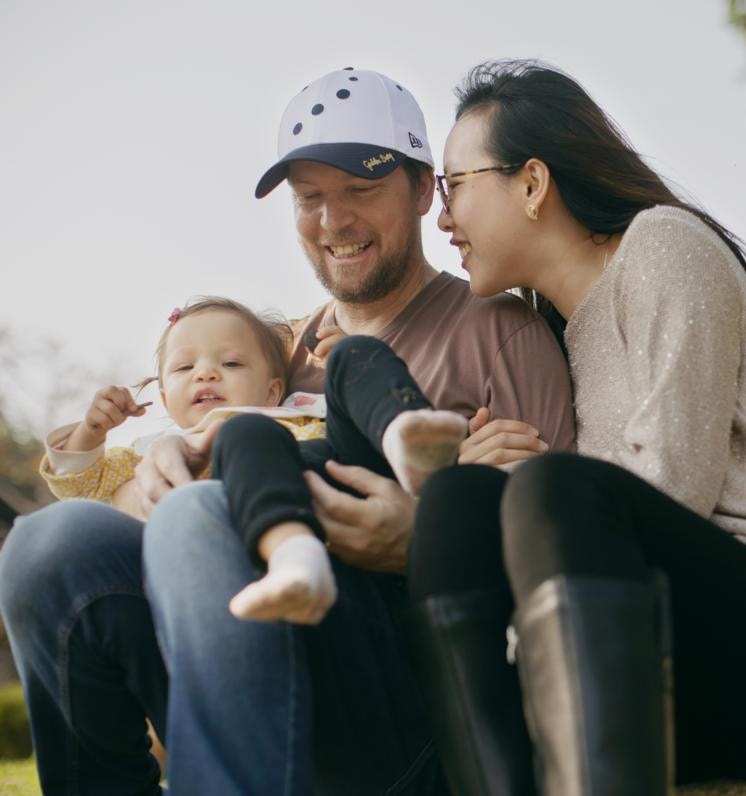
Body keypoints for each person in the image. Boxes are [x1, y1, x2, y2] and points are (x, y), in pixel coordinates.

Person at [0, 67, 575, 794]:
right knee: (48, 545)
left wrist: (423, 534)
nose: (333, 220)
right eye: (310, 198)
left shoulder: (500, 332)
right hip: (231, 659)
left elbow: (558, 555)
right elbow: (138, 476)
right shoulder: (264, 353)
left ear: (425, 190)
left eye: (361, 191)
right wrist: (148, 481)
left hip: (404, 696)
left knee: (201, 517)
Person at [404, 59, 746, 794]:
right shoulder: (555, 331)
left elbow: (673, 482)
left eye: (454, 186)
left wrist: (532, 496)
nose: (441, 217)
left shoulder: (662, 245)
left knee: (551, 490)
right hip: (656, 662)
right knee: (452, 503)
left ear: (531, 184)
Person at [40, 295, 469, 624]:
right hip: (217, 577)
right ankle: (292, 559)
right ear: (165, 399)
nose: (205, 373)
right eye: (184, 367)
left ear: (271, 390)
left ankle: (406, 430)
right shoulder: (154, 448)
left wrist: (343, 359)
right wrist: (90, 432)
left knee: (356, 357)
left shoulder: (299, 411)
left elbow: (350, 426)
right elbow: (86, 487)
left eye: (230, 362)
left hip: (338, 528)